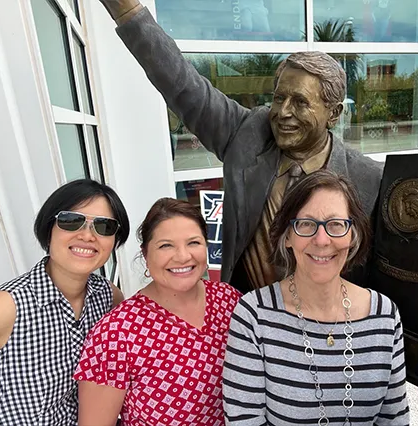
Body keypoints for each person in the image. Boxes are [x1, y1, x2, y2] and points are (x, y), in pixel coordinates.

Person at [98, 0, 383, 293]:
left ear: (333, 114)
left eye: (300, 102)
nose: (283, 112)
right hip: (248, 317)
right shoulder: (247, 134)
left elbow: (390, 267)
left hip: (328, 325)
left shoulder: (369, 180)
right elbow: (182, 85)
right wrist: (129, 11)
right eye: (278, 98)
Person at [223, 170, 409, 425]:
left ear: (353, 235)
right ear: (287, 236)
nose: (322, 240)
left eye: (336, 225)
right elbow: (244, 420)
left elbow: (394, 420)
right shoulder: (254, 315)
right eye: (306, 224)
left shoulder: (385, 316)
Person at [74, 198, 241, 426]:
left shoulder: (229, 300)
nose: (183, 256)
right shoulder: (116, 333)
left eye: (193, 242)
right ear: (145, 255)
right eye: (166, 246)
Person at [0, 179, 130, 426]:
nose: (87, 236)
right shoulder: (7, 306)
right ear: (49, 229)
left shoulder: (109, 297)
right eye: (71, 221)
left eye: (104, 226)